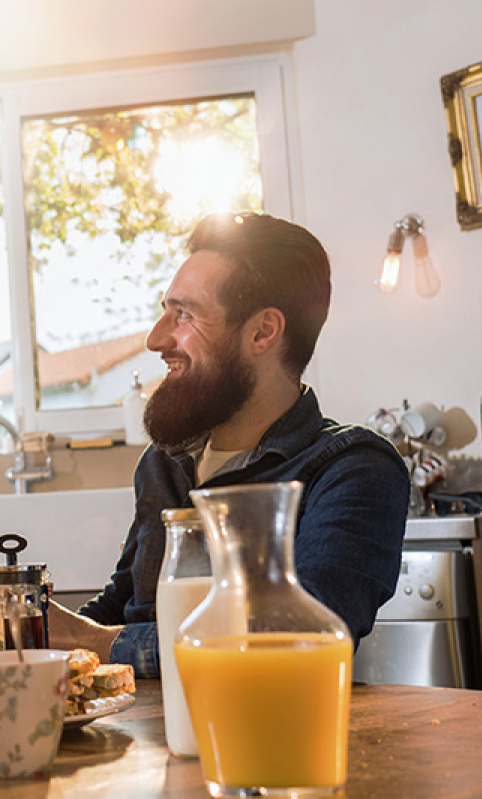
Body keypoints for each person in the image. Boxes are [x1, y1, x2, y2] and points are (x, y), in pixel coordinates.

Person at [48, 211, 409, 677]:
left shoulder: (351, 469)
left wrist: (90, 642)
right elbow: (128, 606)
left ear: (262, 332)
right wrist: (42, 636)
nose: (156, 339)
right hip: (146, 738)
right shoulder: (165, 464)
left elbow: (301, 637)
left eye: (184, 315)